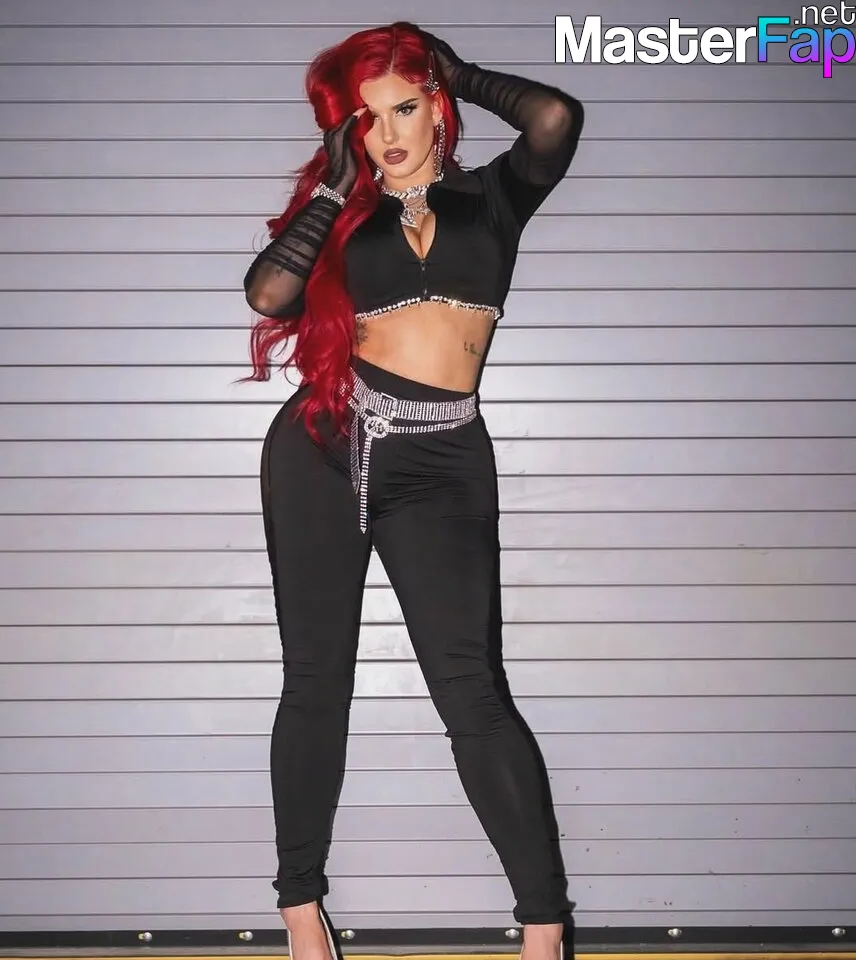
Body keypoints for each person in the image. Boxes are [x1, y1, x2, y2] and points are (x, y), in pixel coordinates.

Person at [240, 20, 584, 960]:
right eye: (368, 118)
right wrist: (333, 189)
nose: (388, 133)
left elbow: (555, 118)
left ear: (436, 108)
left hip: (442, 459)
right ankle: (301, 912)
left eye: (403, 107)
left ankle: (544, 930)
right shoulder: (345, 215)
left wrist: (458, 71)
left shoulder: (494, 198)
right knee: (316, 683)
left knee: (473, 690)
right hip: (324, 444)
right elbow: (268, 296)